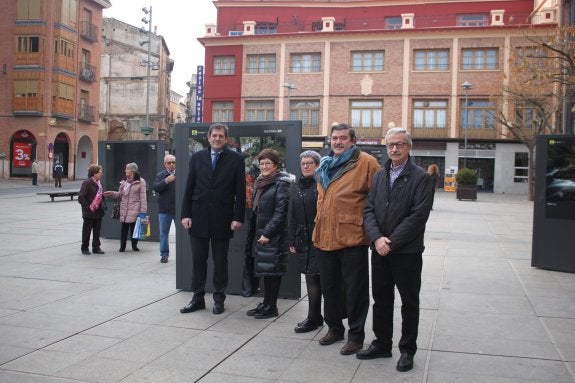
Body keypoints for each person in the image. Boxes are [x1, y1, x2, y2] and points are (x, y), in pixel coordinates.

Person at [360, 127, 433, 372]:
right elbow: (369, 209)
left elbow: (418, 216)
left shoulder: (421, 177)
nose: (394, 148)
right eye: (390, 144)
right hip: (380, 250)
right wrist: (377, 238)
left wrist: (389, 242)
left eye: (399, 144)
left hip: (407, 253)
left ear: (408, 147)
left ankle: (407, 350)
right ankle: (381, 344)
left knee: (409, 302)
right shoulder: (380, 175)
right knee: (381, 300)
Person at [313, 123, 380, 356]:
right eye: (334, 138)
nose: (338, 142)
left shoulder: (367, 163)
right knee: (329, 288)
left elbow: (378, 200)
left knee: (356, 290)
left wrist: (376, 233)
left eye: (343, 138)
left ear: (353, 140)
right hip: (324, 236)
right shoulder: (325, 164)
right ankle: (334, 328)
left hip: (352, 237)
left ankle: (356, 336)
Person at [180, 123, 246, 315]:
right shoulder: (197, 157)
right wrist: (185, 214)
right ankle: (197, 298)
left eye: (221, 136)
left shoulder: (236, 159)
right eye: (214, 135)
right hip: (198, 216)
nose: (217, 139)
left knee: (220, 261)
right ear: (208, 137)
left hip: (223, 218)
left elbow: (240, 191)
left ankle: (219, 299)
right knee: (198, 261)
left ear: (226, 139)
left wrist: (237, 217)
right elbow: (189, 187)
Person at [245, 149, 292, 319]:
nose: (264, 166)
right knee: (266, 271)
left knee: (272, 273)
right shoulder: (261, 182)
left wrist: (267, 233)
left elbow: (281, 212)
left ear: (276, 166)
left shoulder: (281, 183)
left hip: (273, 236)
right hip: (261, 233)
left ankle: (272, 307)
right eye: (262, 163)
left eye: (268, 163)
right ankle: (265, 303)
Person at [288, 150, 323, 332]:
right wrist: (292, 238)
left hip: (319, 237)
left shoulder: (322, 184)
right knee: (310, 277)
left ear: (317, 165)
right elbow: (293, 214)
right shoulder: (298, 185)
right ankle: (315, 317)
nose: (306, 166)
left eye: (310, 163)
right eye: (303, 163)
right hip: (302, 238)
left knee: (316, 278)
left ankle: (313, 318)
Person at [104, 162, 148, 252]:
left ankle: (134, 246)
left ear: (133, 171)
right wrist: (112, 193)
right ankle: (122, 247)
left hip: (135, 208)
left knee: (134, 228)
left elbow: (143, 198)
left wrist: (143, 211)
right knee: (124, 228)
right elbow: (120, 195)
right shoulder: (124, 182)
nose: (125, 170)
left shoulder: (141, 181)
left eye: (127, 169)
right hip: (124, 208)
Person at [78, 164, 107, 255]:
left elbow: (101, 196)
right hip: (89, 212)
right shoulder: (87, 183)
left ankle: (96, 247)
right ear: (94, 173)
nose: (101, 174)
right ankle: (85, 247)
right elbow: (81, 197)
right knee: (87, 231)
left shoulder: (100, 183)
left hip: (98, 212)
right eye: (100, 172)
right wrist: (88, 207)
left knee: (97, 231)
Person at [153, 154, 176, 263]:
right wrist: (167, 181)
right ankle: (164, 254)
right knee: (163, 233)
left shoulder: (181, 173)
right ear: (165, 164)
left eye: (173, 162)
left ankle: (184, 254)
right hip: (164, 209)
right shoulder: (160, 175)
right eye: (169, 162)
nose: (171, 164)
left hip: (179, 209)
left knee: (183, 233)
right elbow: (156, 188)